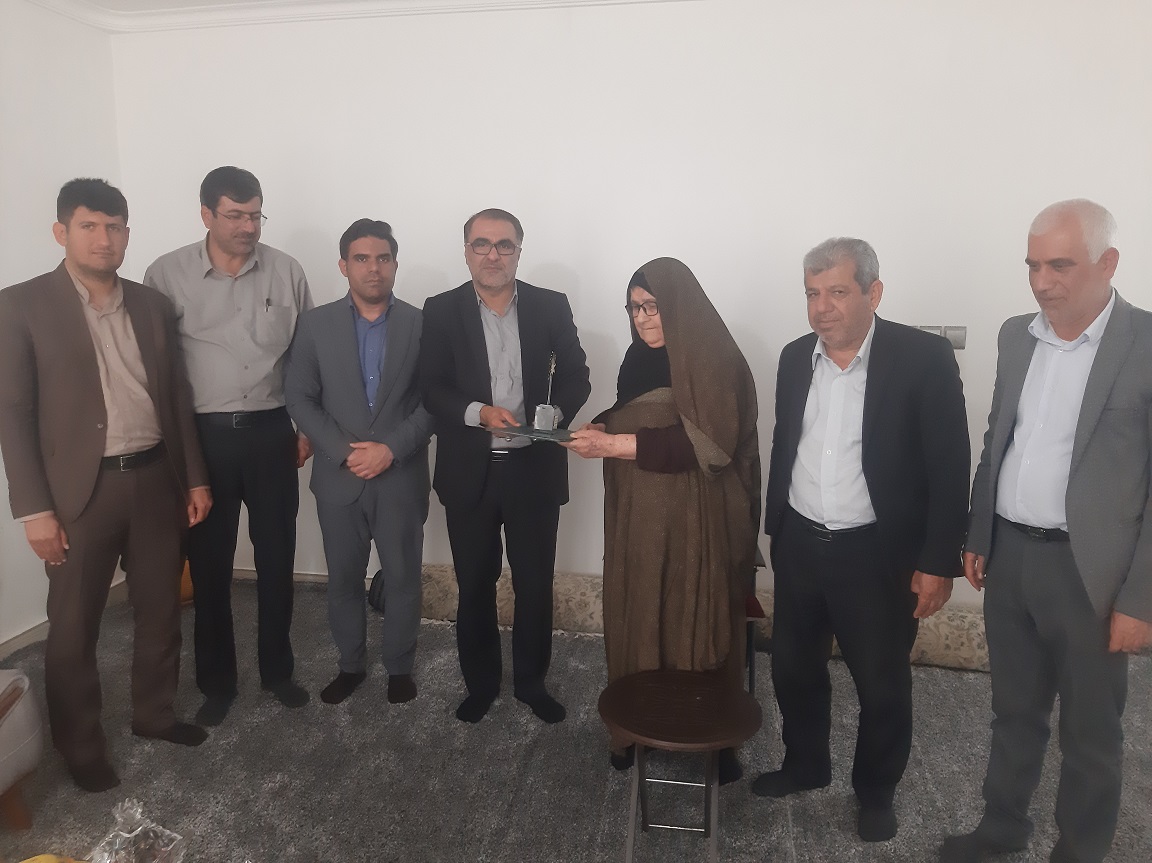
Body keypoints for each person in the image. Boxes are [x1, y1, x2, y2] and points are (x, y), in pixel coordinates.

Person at [940, 200, 1152, 863]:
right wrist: (978, 533)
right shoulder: (1016, 335)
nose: (1041, 281)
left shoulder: (1145, 343)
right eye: (1032, 265)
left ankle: (1080, 851)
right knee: (1013, 711)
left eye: (1060, 265)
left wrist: (1141, 600)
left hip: (1090, 573)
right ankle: (1002, 827)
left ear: (1108, 263)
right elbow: (997, 438)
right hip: (1011, 558)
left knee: (1090, 731)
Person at [0, 179, 212, 792]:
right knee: (73, 628)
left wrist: (195, 478)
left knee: (160, 610)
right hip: (77, 495)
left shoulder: (151, 304)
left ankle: (155, 715)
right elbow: (13, 413)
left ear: (127, 233)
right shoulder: (21, 305)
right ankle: (81, 747)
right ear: (61, 232)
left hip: (155, 480)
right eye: (89, 226)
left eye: (115, 227)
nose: (104, 238)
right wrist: (34, 510)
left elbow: (176, 397)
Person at [755, 238, 970, 842]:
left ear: (874, 293)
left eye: (837, 292)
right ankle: (805, 764)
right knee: (793, 669)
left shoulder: (922, 358)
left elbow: (949, 464)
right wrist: (775, 530)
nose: (821, 308)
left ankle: (875, 790)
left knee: (881, 685)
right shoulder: (795, 357)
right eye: (812, 294)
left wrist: (938, 561)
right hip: (801, 544)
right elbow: (786, 443)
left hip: (876, 554)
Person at [563, 258, 760, 780]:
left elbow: (711, 444)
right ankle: (635, 727)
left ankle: (711, 740)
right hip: (638, 519)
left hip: (696, 521)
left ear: (678, 305)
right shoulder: (638, 358)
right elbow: (635, 411)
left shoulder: (712, 357)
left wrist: (613, 445)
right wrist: (601, 425)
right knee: (639, 605)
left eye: (652, 306)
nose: (643, 318)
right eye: (634, 308)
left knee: (692, 611)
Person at [144, 166, 314, 726]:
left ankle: (278, 671)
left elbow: (305, 359)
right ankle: (216, 682)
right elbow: (159, 369)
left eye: (256, 215)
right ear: (206, 214)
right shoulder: (165, 274)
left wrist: (306, 426)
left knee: (276, 557)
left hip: (272, 433)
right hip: (204, 440)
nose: (248, 226)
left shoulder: (287, 271)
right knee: (210, 564)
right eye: (236, 215)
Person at [418, 208, 590, 724]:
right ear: (466, 250)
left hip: (533, 469)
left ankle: (532, 684)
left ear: (518, 250)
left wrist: (550, 418)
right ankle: (482, 684)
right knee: (475, 584)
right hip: (470, 470)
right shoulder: (441, 309)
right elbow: (431, 387)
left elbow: (577, 374)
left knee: (534, 584)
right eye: (482, 244)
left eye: (504, 245)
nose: (492, 254)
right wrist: (479, 413)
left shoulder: (549, 305)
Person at [285, 219, 433, 706]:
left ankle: (399, 668)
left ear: (395, 264)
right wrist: (345, 451)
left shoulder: (422, 324)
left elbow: (434, 401)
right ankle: (350, 665)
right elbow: (300, 397)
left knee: (404, 579)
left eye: (383, 258)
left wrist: (390, 449)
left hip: (400, 475)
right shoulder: (315, 325)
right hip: (339, 477)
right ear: (343, 265)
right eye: (362, 259)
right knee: (343, 580)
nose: (374, 268)